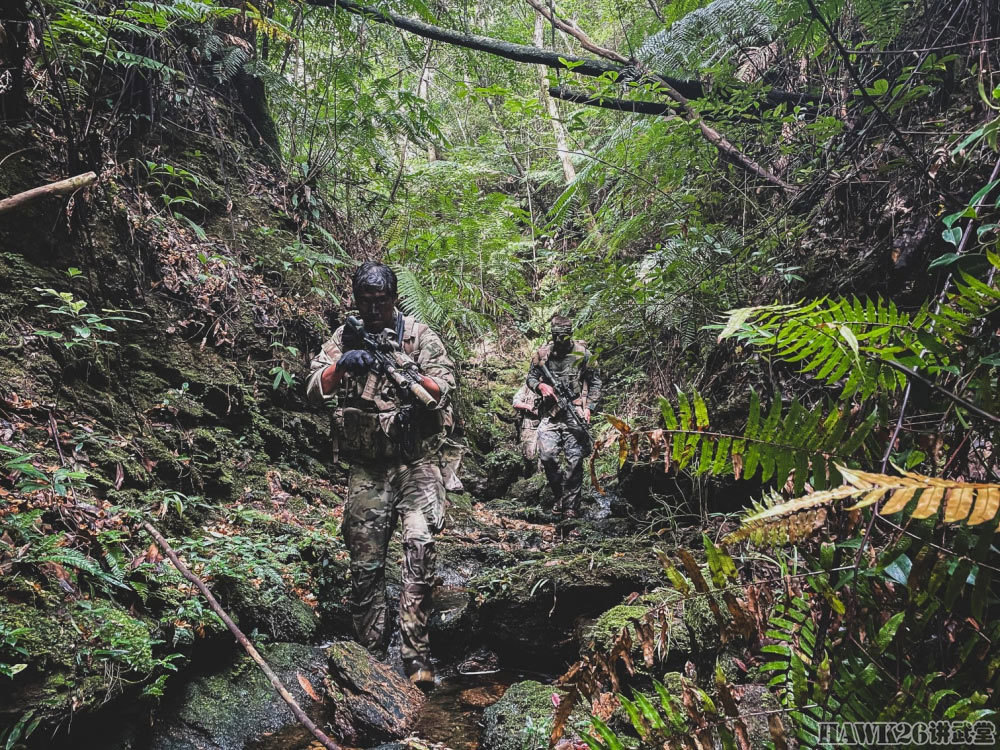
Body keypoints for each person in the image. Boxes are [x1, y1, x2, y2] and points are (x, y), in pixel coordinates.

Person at [306, 261, 455, 688]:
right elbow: (313, 387)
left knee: (419, 551)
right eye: (365, 301)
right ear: (356, 299)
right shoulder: (343, 336)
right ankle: (370, 654)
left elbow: (444, 387)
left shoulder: (421, 336)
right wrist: (343, 365)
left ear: (393, 299)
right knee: (365, 563)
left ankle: (416, 655)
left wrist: (400, 365)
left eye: (381, 301)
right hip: (367, 466)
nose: (373, 309)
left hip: (417, 463)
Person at [526, 315, 602, 519]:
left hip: (573, 412)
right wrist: (540, 386)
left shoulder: (583, 354)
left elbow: (595, 383)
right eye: (556, 336)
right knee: (547, 456)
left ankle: (571, 507)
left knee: (575, 460)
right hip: (550, 415)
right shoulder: (542, 355)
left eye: (564, 336)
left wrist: (589, 408)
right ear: (552, 334)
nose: (560, 340)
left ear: (571, 334)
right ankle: (561, 494)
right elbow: (531, 377)